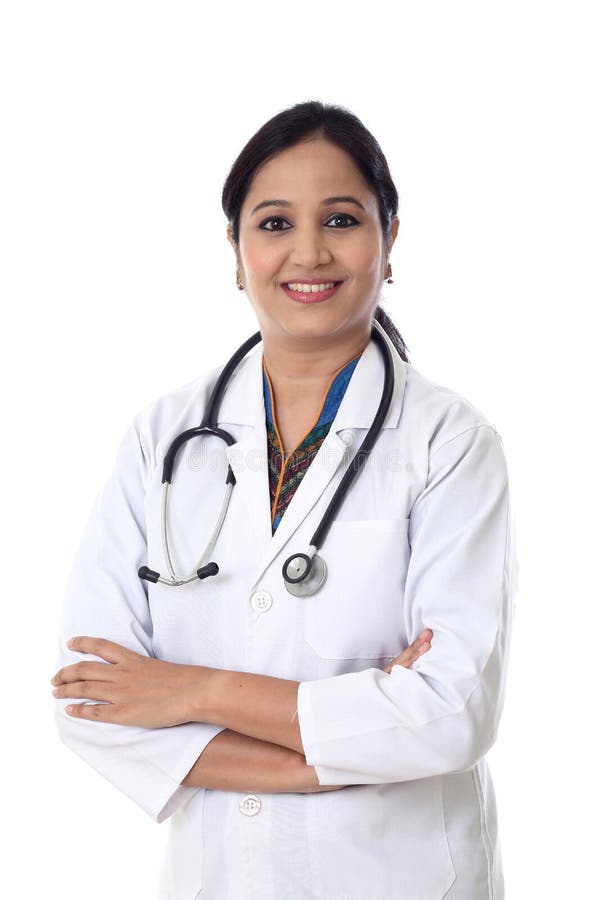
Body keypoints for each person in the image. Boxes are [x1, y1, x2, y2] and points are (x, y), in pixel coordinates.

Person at [51, 100, 517, 900]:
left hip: (396, 876)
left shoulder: (450, 443)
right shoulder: (163, 439)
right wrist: (325, 758)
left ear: (390, 241)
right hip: (223, 876)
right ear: (235, 250)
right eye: (273, 224)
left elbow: (450, 712)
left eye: (341, 218)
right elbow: (89, 697)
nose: (309, 251)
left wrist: (192, 691)